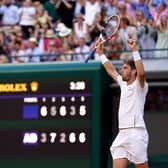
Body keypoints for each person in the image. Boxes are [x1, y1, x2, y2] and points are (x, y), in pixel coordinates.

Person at [95, 36, 149, 168]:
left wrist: (134, 50)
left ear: (133, 71)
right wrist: (101, 54)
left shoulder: (140, 86)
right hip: (122, 134)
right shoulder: (123, 84)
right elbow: (111, 70)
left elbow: (141, 74)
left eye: (125, 68)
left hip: (136, 133)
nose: (121, 71)